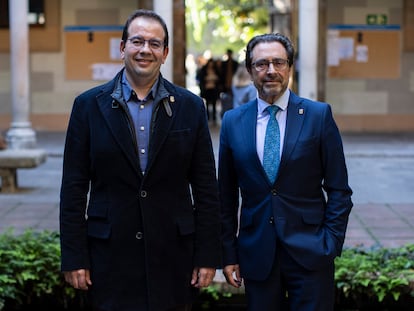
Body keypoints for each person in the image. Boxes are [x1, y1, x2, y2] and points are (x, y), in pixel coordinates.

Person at [59, 9, 221, 311]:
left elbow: (206, 190)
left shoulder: (190, 107)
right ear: (122, 48)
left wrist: (207, 255)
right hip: (108, 256)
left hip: (174, 256)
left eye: (154, 43)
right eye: (137, 41)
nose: (145, 49)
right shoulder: (88, 106)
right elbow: (73, 189)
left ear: (165, 53)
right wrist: (74, 256)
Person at [218, 33, 353, 311]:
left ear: (289, 67)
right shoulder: (232, 122)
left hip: (311, 251)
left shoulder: (318, 116)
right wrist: (229, 253)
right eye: (261, 64)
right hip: (257, 255)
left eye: (278, 62)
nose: (271, 71)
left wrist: (331, 241)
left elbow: (339, 189)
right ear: (250, 70)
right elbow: (225, 197)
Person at [197, 58, 221, 122]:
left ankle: (213, 116)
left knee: (214, 103)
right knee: (207, 103)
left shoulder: (215, 70)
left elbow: (219, 78)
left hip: (213, 88)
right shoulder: (204, 70)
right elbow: (201, 79)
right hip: (207, 88)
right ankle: (207, 115)